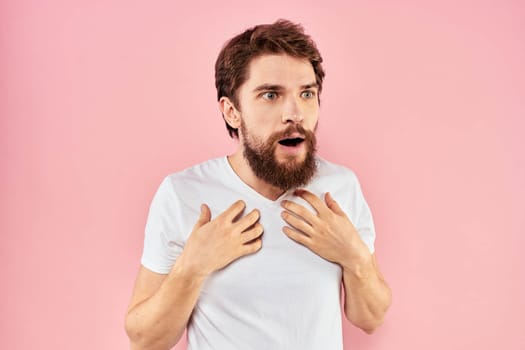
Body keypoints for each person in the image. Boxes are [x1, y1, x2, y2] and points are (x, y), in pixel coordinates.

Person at [125, 19, 392, 350]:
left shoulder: (341, 188)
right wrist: (192, 268)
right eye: (271, 95)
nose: (294, 113)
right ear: (232, 112)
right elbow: (144, 340)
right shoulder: (183, 194)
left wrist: (354, 256)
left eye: (307, 93)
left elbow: (371, 318)